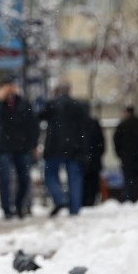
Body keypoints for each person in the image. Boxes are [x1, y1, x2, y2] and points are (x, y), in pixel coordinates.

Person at [39, 83, 92, 215]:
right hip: (74, 148)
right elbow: (84, 128)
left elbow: (39, 116)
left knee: (50, 176)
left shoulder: (52, 105)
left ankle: (59, 198)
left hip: (54, 147)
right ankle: (74, 208)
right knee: (74, 179)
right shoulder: (78, 106)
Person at [0, 79, 39, 219]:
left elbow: (32, 125)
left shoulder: (24, 104)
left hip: (22, 147)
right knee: (5, 178)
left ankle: (19, 205)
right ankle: (6, 209)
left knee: (24, 178)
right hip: (4, 147)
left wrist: (33, 144)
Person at [82, 109, 106, 207]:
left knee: (84, 182)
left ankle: (85, 201)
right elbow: (101, 144)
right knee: (93, 181)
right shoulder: (94, 124)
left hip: (83, 160)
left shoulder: (78, 124)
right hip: (94, 160)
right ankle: (91, 200)